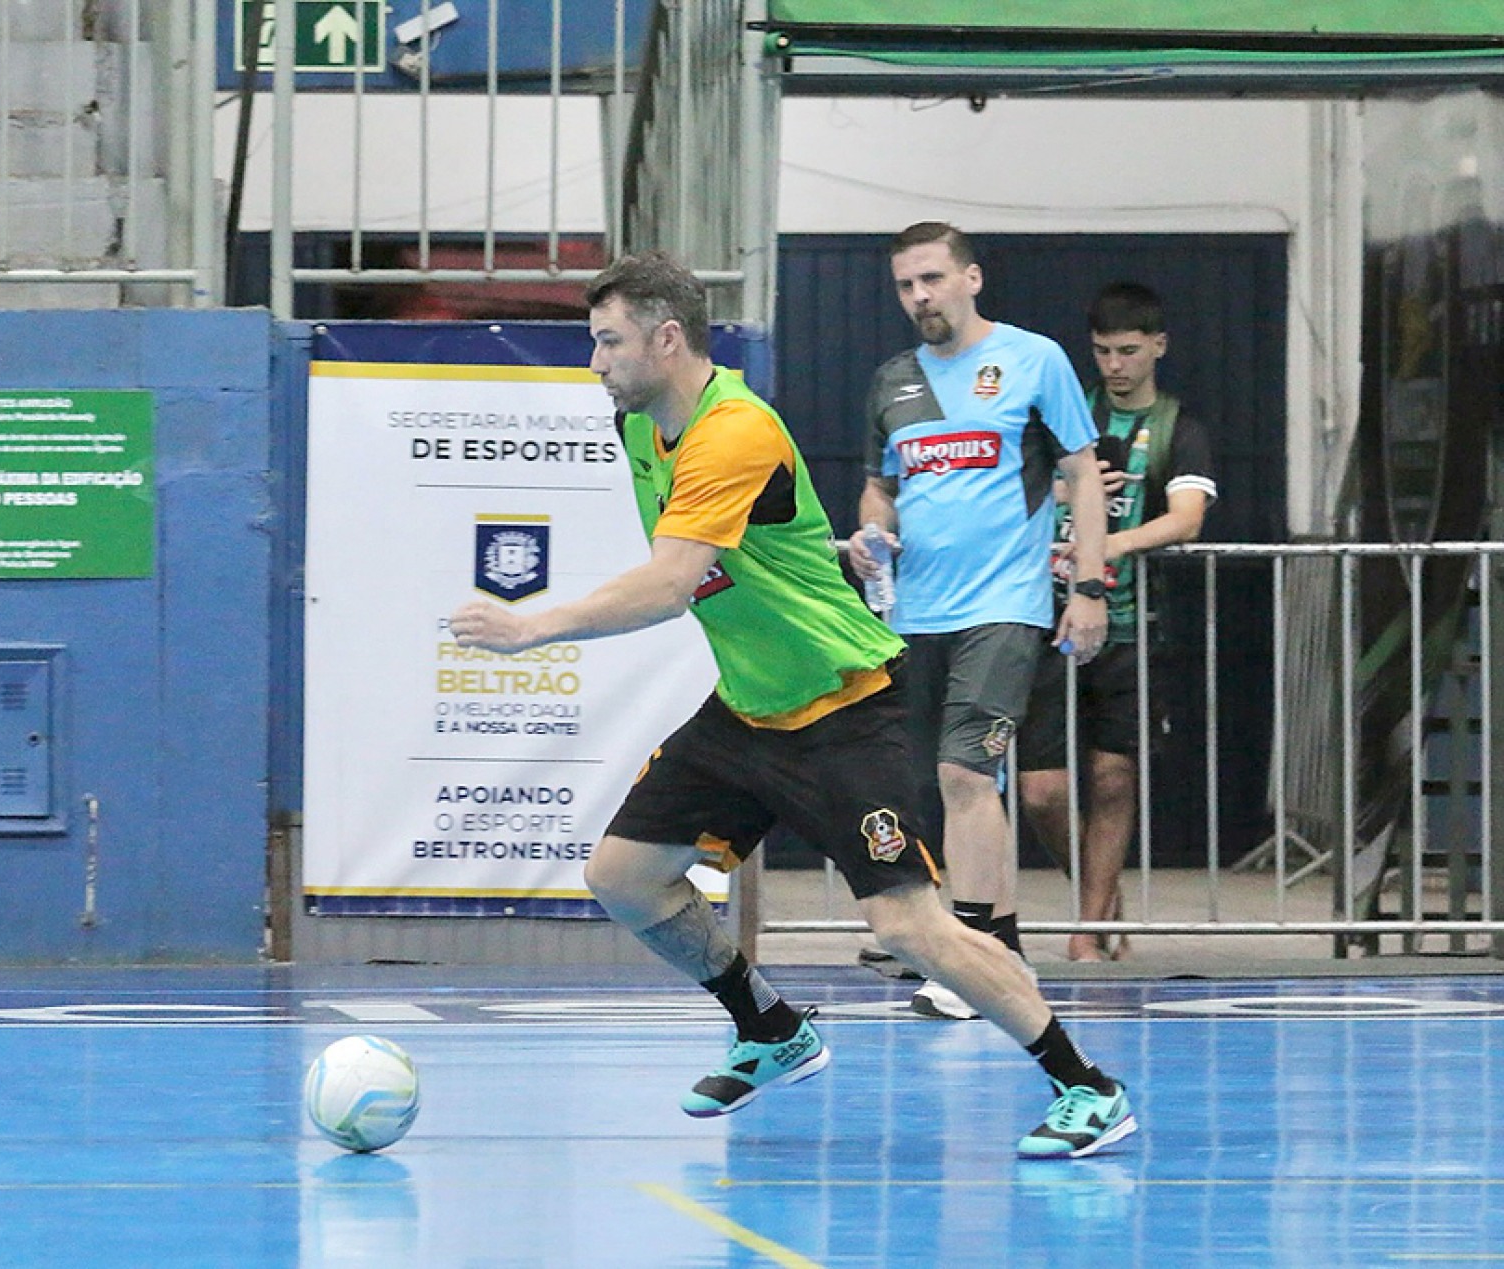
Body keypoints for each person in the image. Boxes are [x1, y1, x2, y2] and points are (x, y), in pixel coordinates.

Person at [450, 250, 1136, 1158]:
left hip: (839, 708)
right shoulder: (638, 429)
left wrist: (533, 628)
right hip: (746, 707)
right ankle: (769, 1027)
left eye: (607, 342)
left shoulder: (733, 431)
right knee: (621, 876)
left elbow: (669, 582)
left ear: (665, 338)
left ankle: (1084, 1086)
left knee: (907, 924)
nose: (594, 363)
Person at [845, 222, 1110, 1022]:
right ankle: (996, 947)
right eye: (904, 285)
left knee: (967, 773)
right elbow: (879, 489)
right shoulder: (893, 380)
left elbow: (1082, 475)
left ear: (971, 278)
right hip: (914, 611)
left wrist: (1089, 586)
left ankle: (965, 958)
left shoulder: (1034, 361)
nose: (918, 296)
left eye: (930, 278)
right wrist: (868, 534)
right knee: (931, 785)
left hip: (1003, 607)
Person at [1017, 282, 1218, 961]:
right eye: (1101, 351)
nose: (1114, 365)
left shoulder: (1177, 427)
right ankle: (1101, 903)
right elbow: (1018, 491)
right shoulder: (1063, 418)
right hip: (1046, 617)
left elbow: (1186, 516)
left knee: (1111, 778)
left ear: (1157, 346)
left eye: (1128, 351)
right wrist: (1069, 494)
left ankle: (1083, 932)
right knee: (1040, 790)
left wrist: (1104, 546)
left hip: (1132, 623)